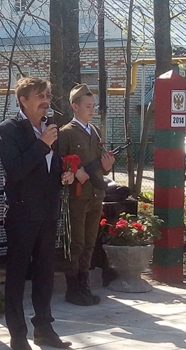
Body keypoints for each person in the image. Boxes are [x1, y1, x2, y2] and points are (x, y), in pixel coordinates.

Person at [0, 76, 74, 350]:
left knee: (45, 272)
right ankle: (17, 334)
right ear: (23, 100)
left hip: (48, 211)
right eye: (40, 96)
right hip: (21, 214)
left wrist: (65, 173)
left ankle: (44, 328)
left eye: (47, 96)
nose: (46, 101)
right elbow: (16, 170)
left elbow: (52, 166)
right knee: (17, 275)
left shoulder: (52, 130)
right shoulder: (9, 129)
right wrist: (42, 144)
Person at [58, 84, 115, 306]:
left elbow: (101, 162)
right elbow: (60, 164)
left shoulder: (95, 131)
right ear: (75, 106)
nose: (92, 110)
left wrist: (107, 166)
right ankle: (73, 288)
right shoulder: (67, 133)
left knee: (90, 242)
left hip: (95, 194)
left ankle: (84, 284)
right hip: (77, 196)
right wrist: (74, 171)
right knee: (77, 242)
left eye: (93, 106)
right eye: (87, 106)